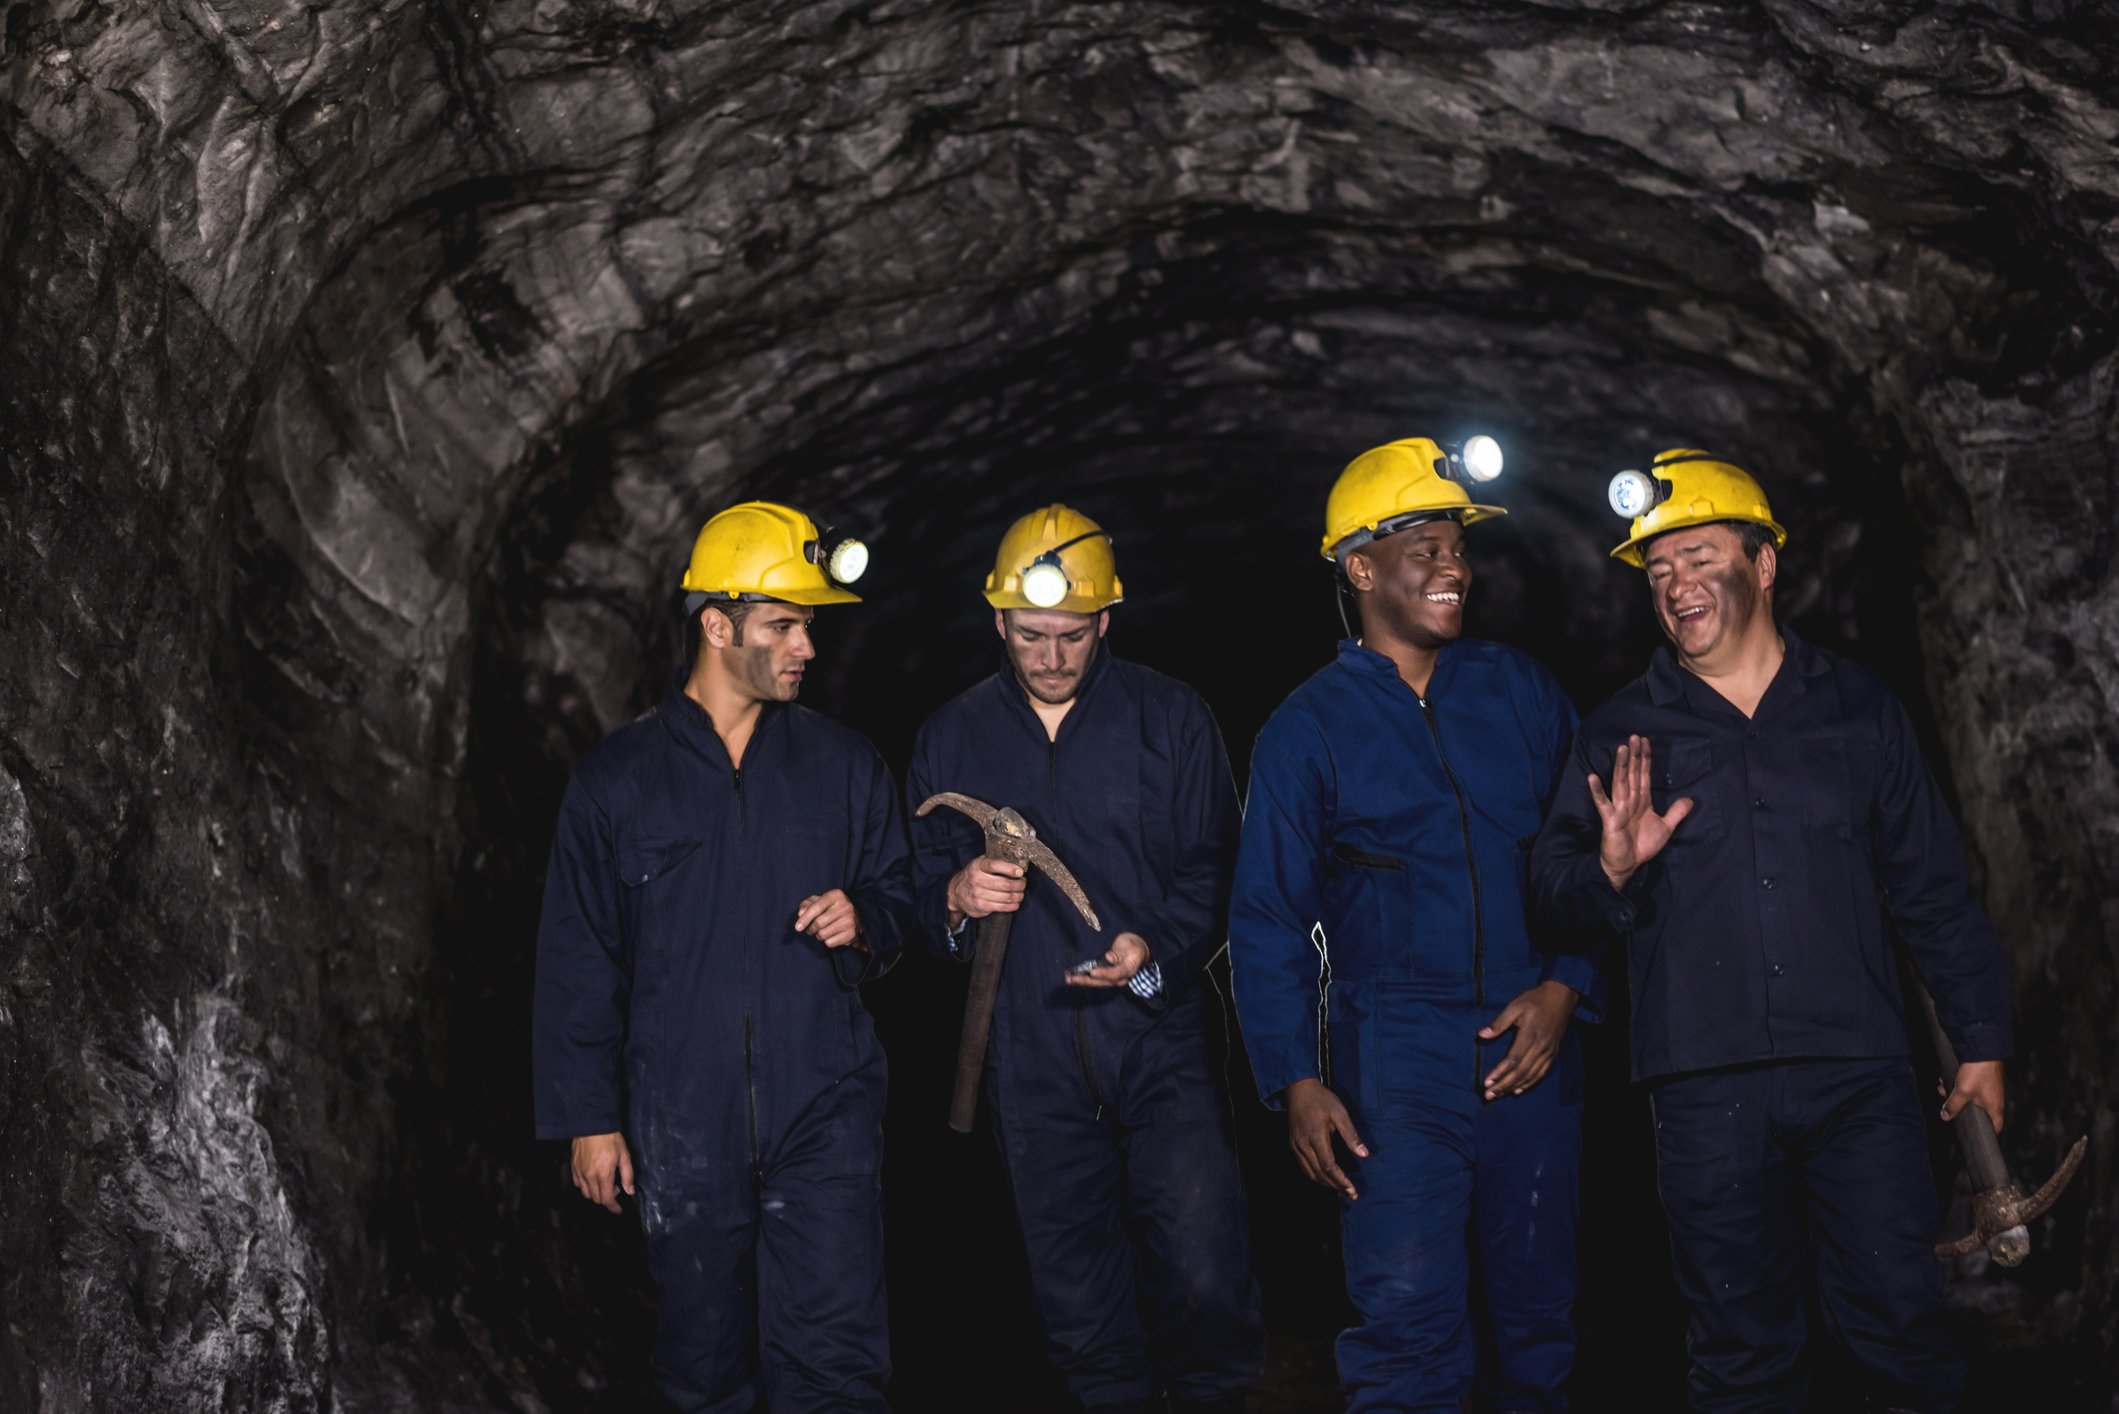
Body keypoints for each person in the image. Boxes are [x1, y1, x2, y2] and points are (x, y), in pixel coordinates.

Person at [1530, 450, 2013, 1412]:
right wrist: (1611, 867)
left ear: (1762, 566)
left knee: (1900, 1332)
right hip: (1702, 1085)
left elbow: (1932, 890)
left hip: (1859, 1075)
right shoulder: (1619, 731)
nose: (1677, 587)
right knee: (1739, 1351)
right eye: (1658, 572)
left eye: (1700, 559)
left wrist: (1982, 1043)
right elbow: (1552, 892)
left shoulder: (1859, 711)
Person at [1227, 436, 1595, 1412]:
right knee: (1405, 1324)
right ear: (1359, 567)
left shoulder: (1519, 692)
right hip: (1393, 1052)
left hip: (1532, 1037)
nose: (1453, 567)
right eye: (1426, 546)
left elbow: (1587, 862)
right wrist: (1297, 1080)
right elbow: (1265, 916)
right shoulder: (1306, 728)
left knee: (1538, 1318)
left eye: (1457, 548)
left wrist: (1565, 987)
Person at [532, 502, 915, 1413]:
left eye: (809, 626)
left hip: (824, 1100)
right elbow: (578, 956)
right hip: (680, 1117)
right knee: (702, 1365)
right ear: (717, 624)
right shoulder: (616, 780)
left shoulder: (845, 765)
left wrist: (864, 918)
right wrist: (588, 1118)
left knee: (833, 1358)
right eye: (784, 624)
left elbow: (899, 902)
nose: (805, 648)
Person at [906, 504, 1265, 1414]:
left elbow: (1217, 868)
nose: (1054, 657)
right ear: (998, 622)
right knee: (1079, 1310)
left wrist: (1154, 956)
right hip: (1025, 1057)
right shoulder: (950, 738)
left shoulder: (1171, 717)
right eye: (1032, 636)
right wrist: (953, 899)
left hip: (1158, 1039)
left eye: (1072, 635)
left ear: (1105, 622)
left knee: (1205, 1279)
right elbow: (907, 892)